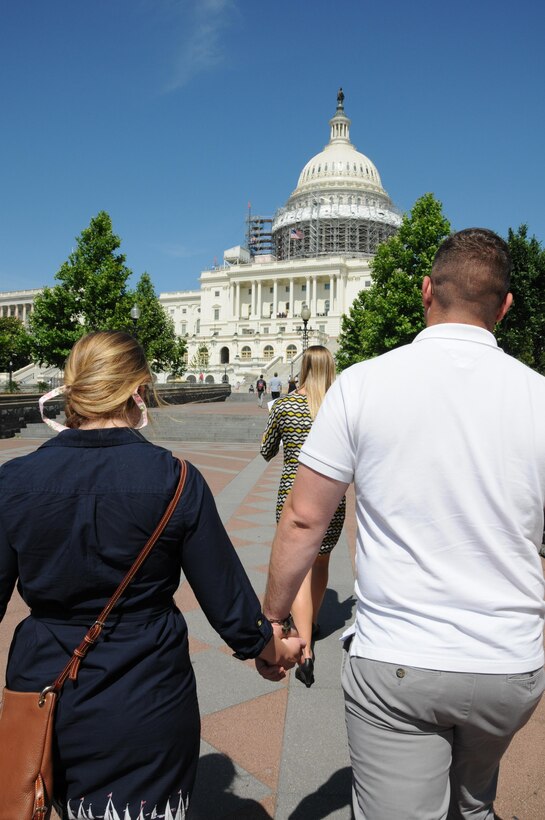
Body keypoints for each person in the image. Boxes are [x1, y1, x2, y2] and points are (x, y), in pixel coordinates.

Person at [259, 229, 545, 819]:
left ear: (425, 291)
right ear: (506, 305)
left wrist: (273, 615)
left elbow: (305, 517)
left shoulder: (362, 383)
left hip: (400, 658)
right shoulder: (538, 395)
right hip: (510, 661)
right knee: (474, 804)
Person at [0, 331, 303, 819]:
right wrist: (271, 648)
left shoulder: (13, 480)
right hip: (146, 690)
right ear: (139, 390)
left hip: (44, 692)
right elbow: (226, 602)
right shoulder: (175, 478)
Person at [260, 346, 345, 687]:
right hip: (332, 500)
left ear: (303, 368)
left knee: (298, 570)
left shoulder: (284, 405)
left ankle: (305, 647)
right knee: (320, 564)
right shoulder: (338, 408)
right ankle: (310, 624)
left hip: (293, 498)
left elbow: (266, 451)